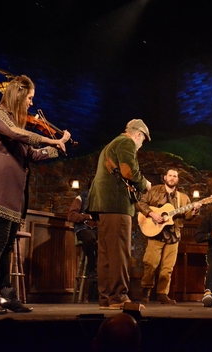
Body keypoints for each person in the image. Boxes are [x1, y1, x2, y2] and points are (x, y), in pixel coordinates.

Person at [0, 75, 70, 314]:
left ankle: (5, 294)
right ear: (18, 94)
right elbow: (17, 135)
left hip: (14, 190)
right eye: (29, 98)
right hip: (0, 186)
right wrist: (50, 138)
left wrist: (55, 148)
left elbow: (32, 155)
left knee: (6, 243)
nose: (30, 103)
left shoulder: (17, 125)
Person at [85, 119, 152, 310]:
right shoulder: (126, 142)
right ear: (138, 135)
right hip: (116, 204)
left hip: (104, 204)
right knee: (119, 253)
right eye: (142, 141)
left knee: (107, 253)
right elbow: (128, 171)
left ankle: (106, 299)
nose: (140, 146)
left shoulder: (111, 144)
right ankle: (119, 297)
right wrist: (144, 183)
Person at [136, 168, 201, 305]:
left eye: (175, 176)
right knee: (150, 264)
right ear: (165, 177)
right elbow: (140, 203)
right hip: (156, 233)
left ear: (177, 179)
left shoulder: (183, 198)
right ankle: (145, 293)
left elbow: (187, 216)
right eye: (170, 175)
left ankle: (162, 294)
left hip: (173, 235)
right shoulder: (154, 191)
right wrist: (152, 214)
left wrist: (194, 211)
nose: (172, 178)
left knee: (168, 268)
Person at [68, 181, 98, 278]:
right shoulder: (81, 198)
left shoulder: (102, 200)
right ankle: (92, 268)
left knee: (108, 240)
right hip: (83, 228)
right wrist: (87, 216)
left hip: (97, 229)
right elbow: (71, 216)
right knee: (90, 238)